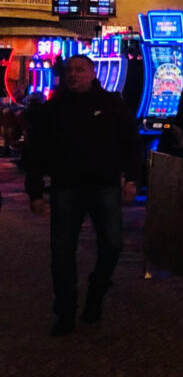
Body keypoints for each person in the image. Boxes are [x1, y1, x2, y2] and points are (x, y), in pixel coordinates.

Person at [24, 54, 142, 336]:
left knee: (113, 244)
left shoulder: (112, 104)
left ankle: (97, 288)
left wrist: (133, 179)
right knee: (62, 252)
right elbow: (36, 154)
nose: (74, 75)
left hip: (105, 186)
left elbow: (131, 144)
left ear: (92, 73)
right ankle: (65, 311)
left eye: (80, 70)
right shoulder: (53, 110)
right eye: (70, 71)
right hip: (66, 188)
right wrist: (36, 192)